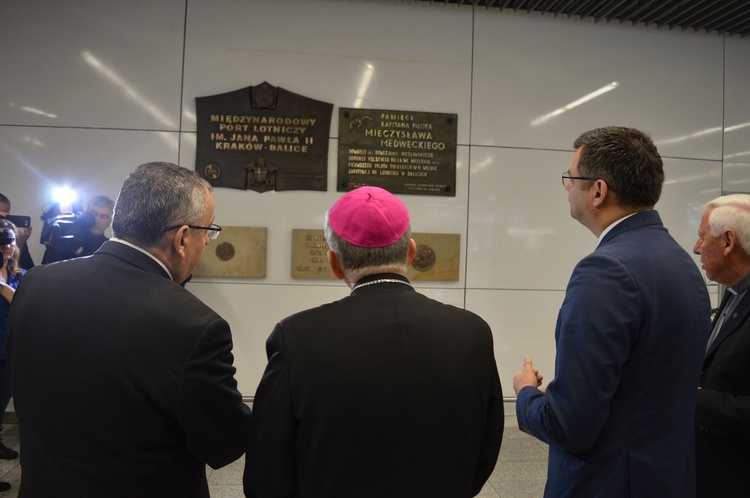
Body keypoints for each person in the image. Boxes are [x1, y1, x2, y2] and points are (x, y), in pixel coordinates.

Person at [6, 162, 251, 497]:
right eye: (208, 230)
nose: (207, 241)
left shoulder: (37, 284)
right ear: (182, 238)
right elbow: (225, 444)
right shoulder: (193, 325)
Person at [244, 186, 504, 498]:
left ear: (335, 263)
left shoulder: (296, 337)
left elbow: (266, 471)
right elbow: (485, 451)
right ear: (410, 252)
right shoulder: (472, 332)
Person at [512, 126, 710, 497]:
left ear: (599, 191)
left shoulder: (605, 271)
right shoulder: (682, 263)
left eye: (571, 178)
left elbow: (570, 425)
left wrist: (526, 395)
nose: (568, 187)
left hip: (608, 483)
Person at [693, 194, 750, 497]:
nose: (696, 248)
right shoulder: (733, 291)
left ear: (728, 241)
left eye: (703, 237)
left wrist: (696, 400)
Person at [0, 220, 24, 492]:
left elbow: (23, 304)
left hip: (8, 354)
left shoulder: (21, 275)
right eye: (1, 241)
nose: (6, 247)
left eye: (10, 241)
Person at [41, 194, 115, 264]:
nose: (96, 220)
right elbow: (44, 272)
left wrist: (78, 251)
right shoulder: (64, 235)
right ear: (85, 213)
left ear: (110, 222)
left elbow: (97, 273)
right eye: (93, 214)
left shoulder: (109, 249)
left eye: (104, 217)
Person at [0, 192, 34, 270]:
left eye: (6, 216)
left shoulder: (13, 237)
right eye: (1, 216)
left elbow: (28, 270)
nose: (3, 220)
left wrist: (19, 245)